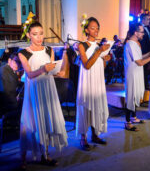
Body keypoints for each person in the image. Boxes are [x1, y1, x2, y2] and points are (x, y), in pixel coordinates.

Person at [18, 22, 68, 169]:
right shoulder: (23, 53)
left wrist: (58, 70)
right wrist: (43, 69)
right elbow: (30, 74)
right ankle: (23, 160)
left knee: (46, 120)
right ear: (28, 35)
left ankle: (45, 156)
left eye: (41, 33)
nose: (39, 37)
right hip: (34, 91)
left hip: (48, 88)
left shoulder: (49, 50)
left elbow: (52, 70)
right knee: (30, 122)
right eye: (35, 34)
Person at [76, 17, 111, 151]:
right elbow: (87, 65)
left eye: (97, 28)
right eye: (92, 28)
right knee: (86, 107)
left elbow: (100, 66)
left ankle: (95, 134)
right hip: (87, 81)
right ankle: (83, 138)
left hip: (97, 80)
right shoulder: (82, 45)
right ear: (86, 30)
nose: (96, 30)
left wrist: (105, 59)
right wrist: (99, 52)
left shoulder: (98, 46)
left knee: (96, 105)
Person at [123, 23, 150, 131]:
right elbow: (140, 62)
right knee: (131, 97)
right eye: (142, 32)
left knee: (135, 96)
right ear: (135, 33)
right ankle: (127, 122)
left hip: (136, 73)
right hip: (132, 75)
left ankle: (134, 117)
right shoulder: (131, 44)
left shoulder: (135, 43)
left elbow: (140, 57)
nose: (143, 34)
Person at [139, 13, 150, 102]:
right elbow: (142, 44)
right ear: (142, 20)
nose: (149, 21)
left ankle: (145, 96)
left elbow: (148, 42)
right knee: (143, 75)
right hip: (143, 54)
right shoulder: (139, 29)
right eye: (147, 19)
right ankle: (142, 97)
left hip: (148, 53)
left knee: (145, 74)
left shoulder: (148, 29)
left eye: (149, 19)